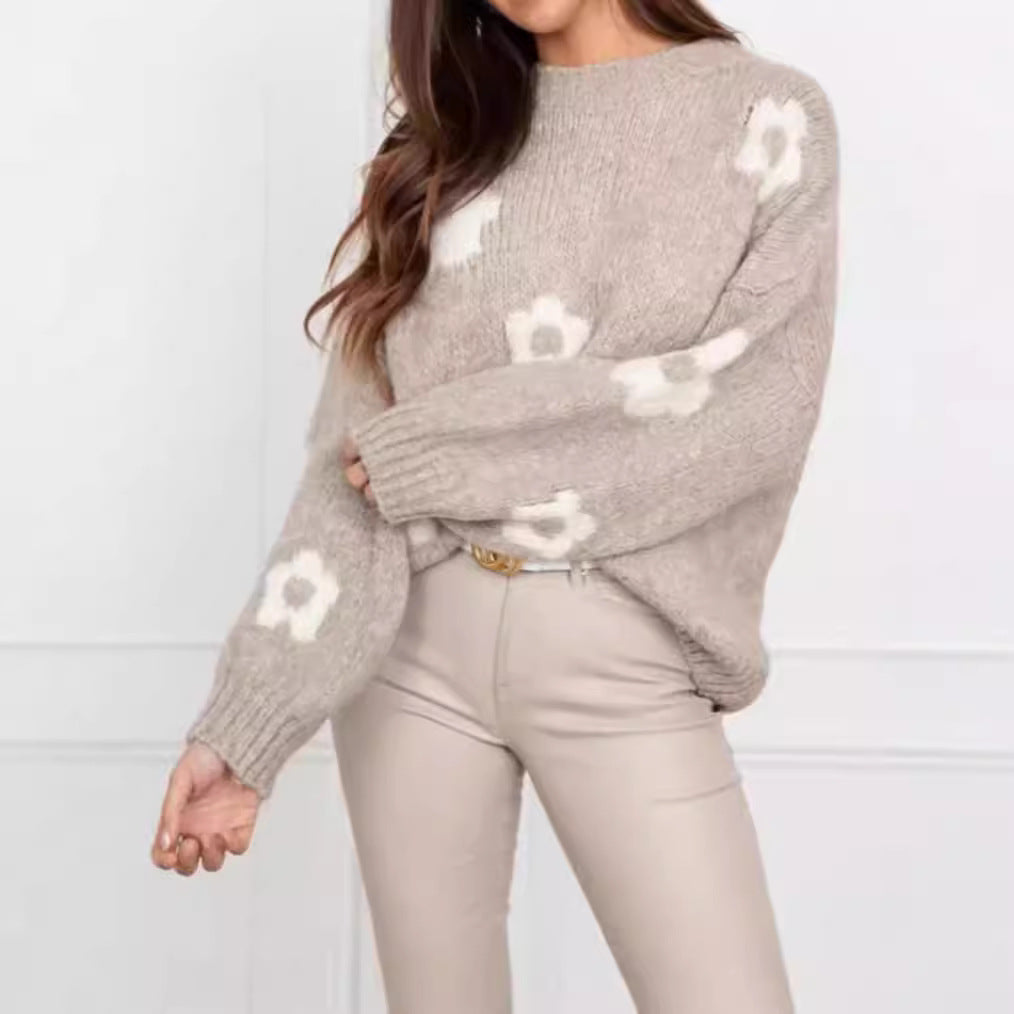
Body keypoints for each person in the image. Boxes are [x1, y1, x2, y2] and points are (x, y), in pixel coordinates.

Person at [151, 1, 840, 1011]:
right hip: (408, 653)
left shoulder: (766, 115)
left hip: (620, 648)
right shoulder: (445, 139)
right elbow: (349, 462)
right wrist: (249, 721)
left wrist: (438, 453)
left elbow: (752, 406)